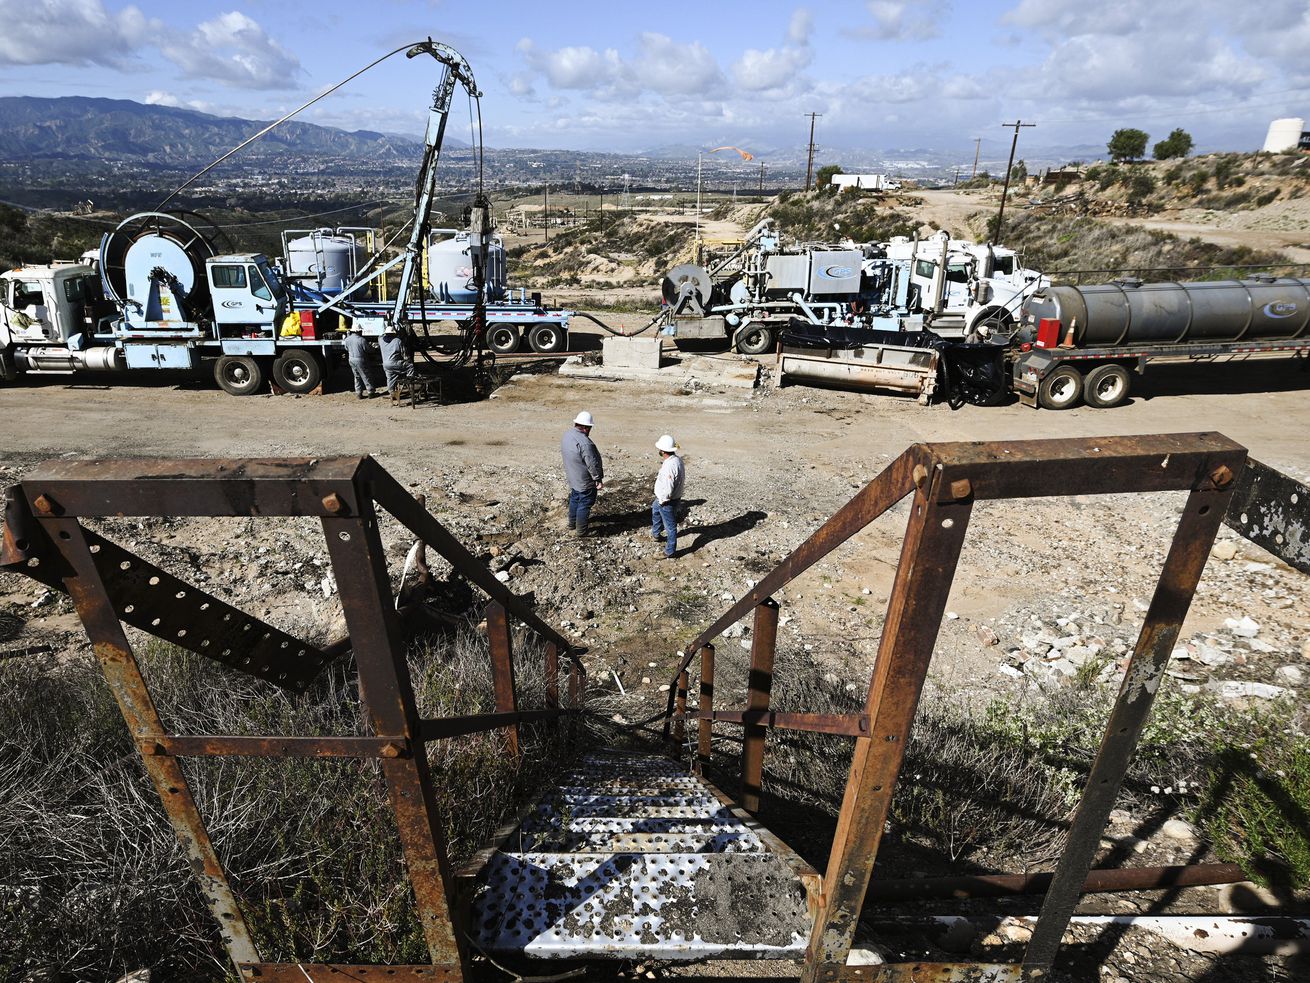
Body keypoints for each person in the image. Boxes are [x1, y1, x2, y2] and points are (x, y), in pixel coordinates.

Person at [561, 411, 604, 537]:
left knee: (575, 498)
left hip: (573, 476)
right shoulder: (585, 443)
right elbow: (592, 464)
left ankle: (572, 523)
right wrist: (598, 479)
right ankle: (581, 531)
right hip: (585, 480)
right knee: (585, 503)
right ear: (586, 428)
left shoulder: (567, 435)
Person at [651, 434, 685, 559]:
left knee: (670, 527)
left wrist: (663, 500)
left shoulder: (669, 466)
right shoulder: (677, 460)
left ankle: (670, 551)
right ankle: (656, 534)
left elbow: (668, 488)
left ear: (662, 450)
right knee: (655, 510)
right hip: (671, 498)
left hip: (666, 501)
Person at [344, 324, 379, 399]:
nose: (362, 332)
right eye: (361, 330)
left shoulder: (347, 339)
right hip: (360, 359)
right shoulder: (361, 340)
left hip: (351, 359)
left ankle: (358, 393)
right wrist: (374, 348)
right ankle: (370, 392)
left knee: (356, 376)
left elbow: (346, 348)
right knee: (366, 375)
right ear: (358, 331)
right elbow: (368, 350)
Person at [380, 329, 414, 395]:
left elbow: (380, 336)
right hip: (394, 363)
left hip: (385, 364)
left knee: (390, 378)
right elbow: (404, 354)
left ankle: (391, 392)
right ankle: (410, 383)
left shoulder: (381, 340)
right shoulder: (397, 341)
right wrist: (408, 360)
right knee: (410, 366)